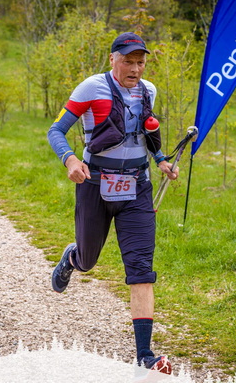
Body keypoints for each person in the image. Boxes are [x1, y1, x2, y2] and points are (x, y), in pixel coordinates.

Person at [47, 32, 178, 375]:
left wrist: (162, 160)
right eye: (128, 61)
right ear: (112, 59)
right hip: (95, 184)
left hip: (137, 186)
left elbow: (147, 132)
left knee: (141, 268)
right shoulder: (91, 88)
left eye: (140, 62)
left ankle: (145, 356)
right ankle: (73, 257)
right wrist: (70, 160)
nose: (135, 69)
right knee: (88, 260)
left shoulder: (148, 91)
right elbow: (55, 131)